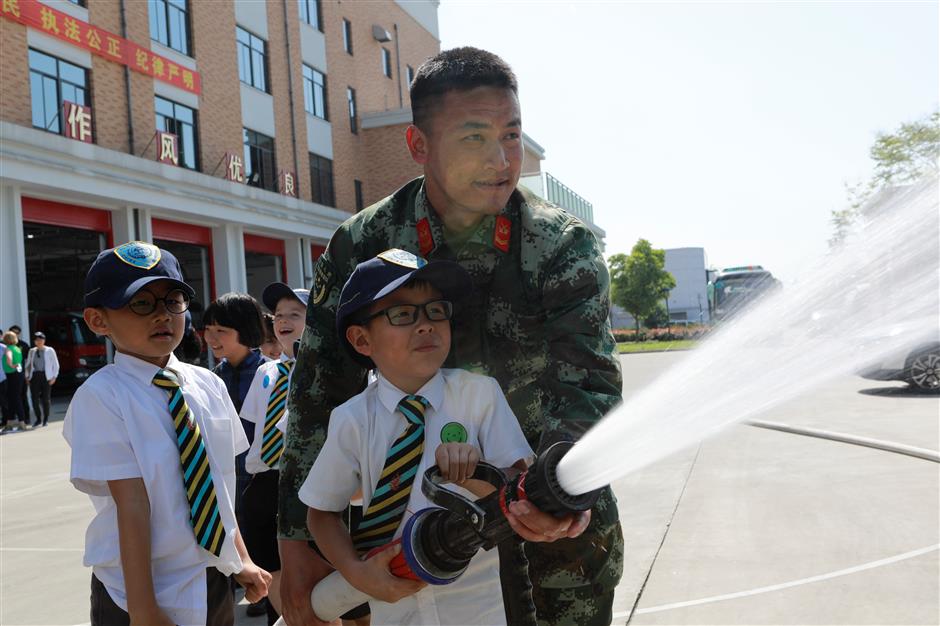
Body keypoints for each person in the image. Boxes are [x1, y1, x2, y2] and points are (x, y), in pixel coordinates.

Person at [280, 47, 624, 626]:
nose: (500, 159)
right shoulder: (362, 245)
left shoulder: (560, 246)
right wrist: (296, 545)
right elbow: (317, 395)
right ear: (419, 146)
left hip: (557, 544)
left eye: (511, 135)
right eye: (473, 138)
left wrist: (563, 488)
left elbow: (589, 386)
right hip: (414, 547)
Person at [302, 250, 534, 625]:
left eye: (435, 311)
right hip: (394, 609)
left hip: (476, 609)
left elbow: (519, 494)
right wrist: (355, 572)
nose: (426, 325)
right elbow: (321, 512)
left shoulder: (480, 395)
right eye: (403, 314)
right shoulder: (352, 420)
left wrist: (477, 474)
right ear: (362, 340)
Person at [63, 241, 270, 625]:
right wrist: (144, 610)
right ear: (97, 320)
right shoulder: (102, 397)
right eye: (141, 303)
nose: (162, 315)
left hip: (211, 579)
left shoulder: (208, 384)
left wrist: (240, 558)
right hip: (137, 588)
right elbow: (133, 505)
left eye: (173, 300)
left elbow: (217, 487)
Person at [238, 283, 310, 625]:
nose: (283, 321)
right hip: (264, 481)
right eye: (279, 315)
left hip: (305, 483)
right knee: (271, 568)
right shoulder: (266, 372)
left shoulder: (324, 373)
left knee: (311, 572)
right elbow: (252, 428)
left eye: (295, 314)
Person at [25, 331, 59, 426]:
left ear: (44, 340)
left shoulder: (49, 350)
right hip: (35, 376)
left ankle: (46, 419)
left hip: (46, 376)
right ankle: (38, 418)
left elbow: (56, 364)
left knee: (46, 399)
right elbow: (28, 365)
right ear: (35, 341)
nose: (39, 341)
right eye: (37, 340)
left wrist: (54, 376)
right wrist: (27, 376)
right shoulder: (32, 351)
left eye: (41, 339)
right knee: (34, 399)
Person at [2, 331, 28, 431]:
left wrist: (11, 365)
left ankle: (22, 421)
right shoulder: (17, 348)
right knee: (13, 397)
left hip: (12, 374)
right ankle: (10, 421)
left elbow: (9, 358)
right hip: (19, 374)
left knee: (15, 398)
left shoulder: (8, 349)